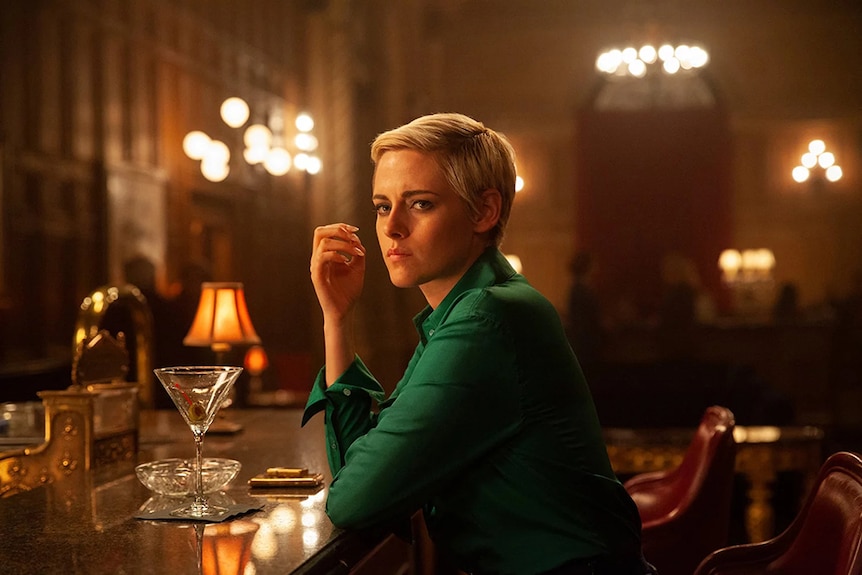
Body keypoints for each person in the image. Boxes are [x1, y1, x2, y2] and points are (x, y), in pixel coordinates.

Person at [303, 113, 652, 575]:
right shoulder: (461, 313)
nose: (391, 228)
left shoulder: (487, 319)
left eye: (420, 204)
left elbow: (353, 500)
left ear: (484, 212)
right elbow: (361, 475)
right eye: (383, 206)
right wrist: (337, 319)